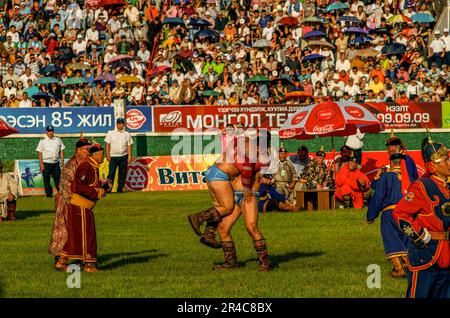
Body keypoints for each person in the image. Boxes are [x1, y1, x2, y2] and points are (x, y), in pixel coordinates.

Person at [188, 128, 271, 255]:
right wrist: (248, 189)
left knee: (219, 209)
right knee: (227, 207)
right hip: (222, 176)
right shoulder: (254, 151)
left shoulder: (243, 140)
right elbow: (247, 170)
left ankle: (209, 234)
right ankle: (198, 217)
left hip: (213, 171)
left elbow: (236, 146)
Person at [392, 135, 450, 298]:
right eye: (445, 160)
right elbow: (400, 213)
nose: (449, 163)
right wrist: (418, 236)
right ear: (433, 166)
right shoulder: (421, 187)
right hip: (426, 255)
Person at [56, 143, 111, 272]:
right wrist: (98, 192)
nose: (103, 156)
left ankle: (61, 261)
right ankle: (89, 265)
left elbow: (88, 184)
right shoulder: (86, 166)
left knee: (75, 237)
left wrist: (103, 186)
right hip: (80, 207)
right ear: (95, 154)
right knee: (88, 236)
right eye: (101, 154)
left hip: (82, 207)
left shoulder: (92, 167)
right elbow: (79, 186)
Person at [49, 135, 91, 269]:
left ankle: (81, 258)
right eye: (85, 149)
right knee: (64, 232)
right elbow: (65, 186)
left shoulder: (85, 163)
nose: (88, 152)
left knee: (80, 231)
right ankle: (60, 260)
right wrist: (74, 202)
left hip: (81, 202)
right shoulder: (71, 164)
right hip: (68, 203)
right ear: (78, 150)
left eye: (89, 149)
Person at [366, 153, 411, 278]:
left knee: (391, 239)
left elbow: (378, 196)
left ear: (391, 163)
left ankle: (398, 268)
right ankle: (410, 266)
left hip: (390, 213)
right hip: (407, 213)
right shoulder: (409, 177)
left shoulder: (387, 176)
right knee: (406, 239)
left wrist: (371, 216)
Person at [105, 118, 133, 193]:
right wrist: (108, 155)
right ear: (116, 124)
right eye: (119, 123)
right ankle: (108, 189)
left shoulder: (127, 134)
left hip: (124, 156)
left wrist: (129, 156)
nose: (120, 125)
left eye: (122, 123)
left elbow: (129, 145)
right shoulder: (110, 133)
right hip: (113, 157)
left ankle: (120, 189)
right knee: (111, 173)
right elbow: (107, 145)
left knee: (122, 174)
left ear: (124, 124)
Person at [36, 125, 65, 198]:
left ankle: (60, 194)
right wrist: (41, 163)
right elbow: (40, 152)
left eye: (52, 131)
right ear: (46, 132)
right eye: (49, 131)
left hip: (55, 163)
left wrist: (62, 160)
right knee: (46, 180)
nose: (50, 133)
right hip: (46, 163)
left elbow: (61, 150)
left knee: (58, 179)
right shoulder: (42, 140)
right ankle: (49, 195)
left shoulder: (58, 140)